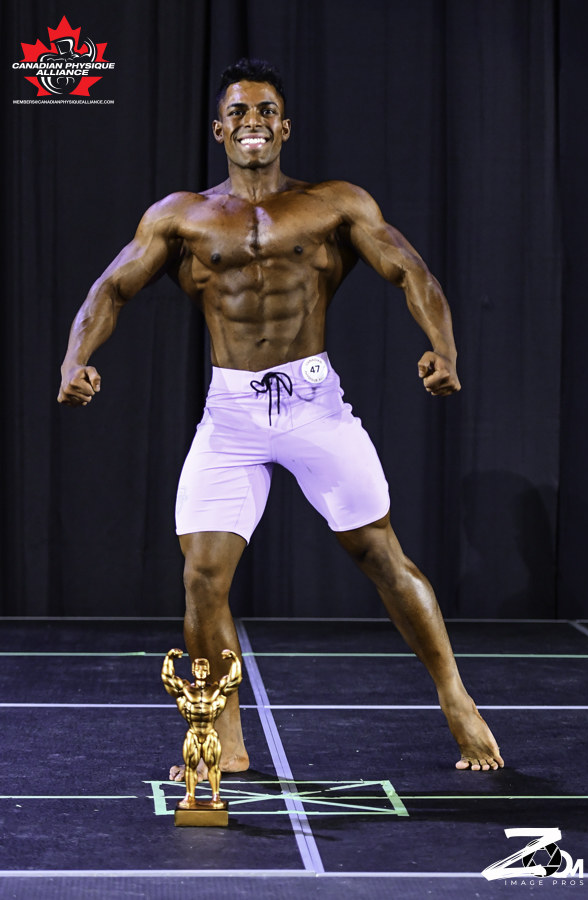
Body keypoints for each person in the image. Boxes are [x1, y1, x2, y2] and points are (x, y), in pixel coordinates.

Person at [58, 58, 503, 773]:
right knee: (202, 577)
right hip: (231, 413)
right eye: (237, 111)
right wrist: (74, 361)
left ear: (285, 127)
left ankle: (457, 698)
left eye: (265, 110)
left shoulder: (334, 205)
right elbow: (111, 288)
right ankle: (225, 741)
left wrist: (443, 350)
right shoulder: (180, 216)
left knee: (381, 555)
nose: (252, 122)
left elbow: (410, 270)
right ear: (219, 130)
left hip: (314, 405)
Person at [161, 647, 241, 808]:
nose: (201, 671)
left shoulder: (216, 689)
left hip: (210, 734)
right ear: (193, 670)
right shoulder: (185, 689)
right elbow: (168, 678)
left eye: (204, 669)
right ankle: (189, 797)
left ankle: (216, 797)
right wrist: (169, 658)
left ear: (208, 671)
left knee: (213, 767)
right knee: (191, 767)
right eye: (198, 668)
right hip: (193, 733)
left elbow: (234, 680)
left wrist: (234, 660)